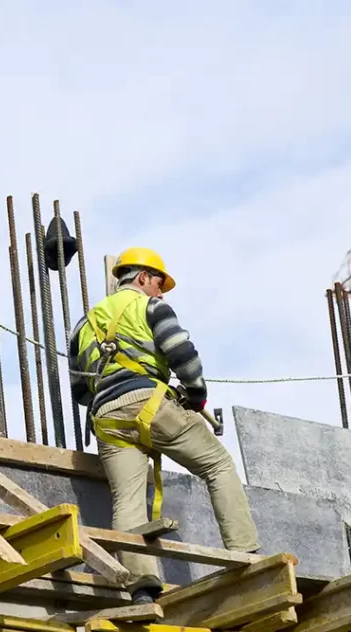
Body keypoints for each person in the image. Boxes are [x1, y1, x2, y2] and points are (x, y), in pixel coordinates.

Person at [68, 247, 259, 604]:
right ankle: (247, 554)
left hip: (107, 418)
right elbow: (182, 354)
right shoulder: (151, 307)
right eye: (158, 283)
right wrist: (197, 395)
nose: (160, 291)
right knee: (218, 465)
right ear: (141, 278)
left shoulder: (83, 325)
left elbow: (80, 390)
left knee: (127, 499)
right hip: (151, 404)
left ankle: (141, 588)